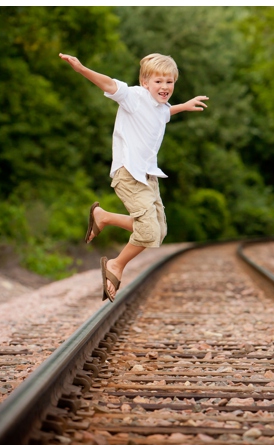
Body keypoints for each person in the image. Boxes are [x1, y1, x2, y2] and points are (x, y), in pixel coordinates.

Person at [60, 52, 209, 301]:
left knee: (158, 231)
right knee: (148, 232)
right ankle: (115, 266)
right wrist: (82, 68)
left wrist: (183, 106)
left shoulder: (160, 107)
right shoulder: (134, 97)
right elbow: (109, 83)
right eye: (158, 81)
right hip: (128, 173)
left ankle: (103, 217)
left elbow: (163, 114)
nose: (164, 87)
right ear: (145, 82)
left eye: (169, 82)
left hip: (148, 176)